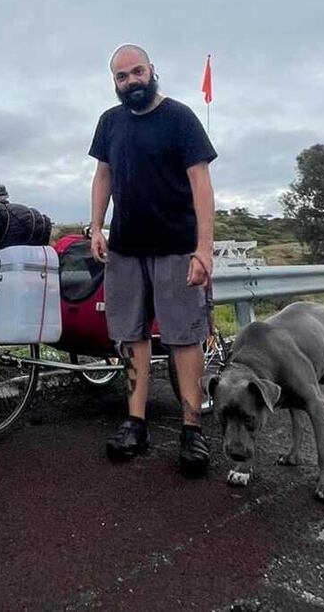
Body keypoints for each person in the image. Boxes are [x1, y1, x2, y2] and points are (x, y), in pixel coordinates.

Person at [88, 44, 218, 476]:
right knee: (132, 336)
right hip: (126, 247)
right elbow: (103, 173)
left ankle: (191, 430)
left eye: (137, 72)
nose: (131, 82)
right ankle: (136, 422)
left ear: (152, 71)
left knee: (184, 337)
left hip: (177, 247)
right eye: (122, 77)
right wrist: (96, 226)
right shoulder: (110, 122)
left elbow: (200, 182)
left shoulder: (180, 118)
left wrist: (204, 248)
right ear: (115, 83)